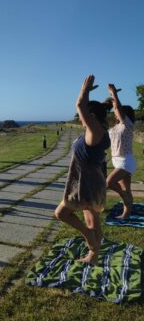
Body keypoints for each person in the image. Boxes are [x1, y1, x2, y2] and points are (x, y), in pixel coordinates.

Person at [55, 75, 110, 264]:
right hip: (91, 182)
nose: (80, 117)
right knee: (92, 220)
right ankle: (93, 255)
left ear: (92, 117)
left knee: (62, 214)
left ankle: (89, 238)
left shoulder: (95, 133)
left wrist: (84, 92)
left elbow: (80, 106)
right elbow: (85, 109)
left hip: (86, 185)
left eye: (85, 115)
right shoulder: (95, 132)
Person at [106, 84, 136, 219]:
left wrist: (113, 93)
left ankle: (123, 196)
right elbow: (114, 107)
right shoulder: (115, 127)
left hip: (126, 161)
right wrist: (111, 98)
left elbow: (117, 107)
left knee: (109, 182)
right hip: (117, 160)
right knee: (126, 189)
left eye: (118, 112)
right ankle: (126, 214)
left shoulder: (128, 125)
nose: (116, 112)